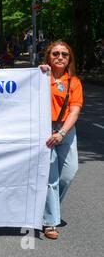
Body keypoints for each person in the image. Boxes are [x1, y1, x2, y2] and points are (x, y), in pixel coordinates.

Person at [39, 41, 83, 240]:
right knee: (51, 179)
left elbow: (75, 111)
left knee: (69, 173)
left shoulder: (74, 81)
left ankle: (46, 208)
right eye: (55, 53)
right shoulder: (40, 76)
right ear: (48, 56)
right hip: (44, 130)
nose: (60, 57)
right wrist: (37, 74)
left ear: (69, 59)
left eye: (64, 54)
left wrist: (62, 133)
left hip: (65, 130)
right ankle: (50, 222)